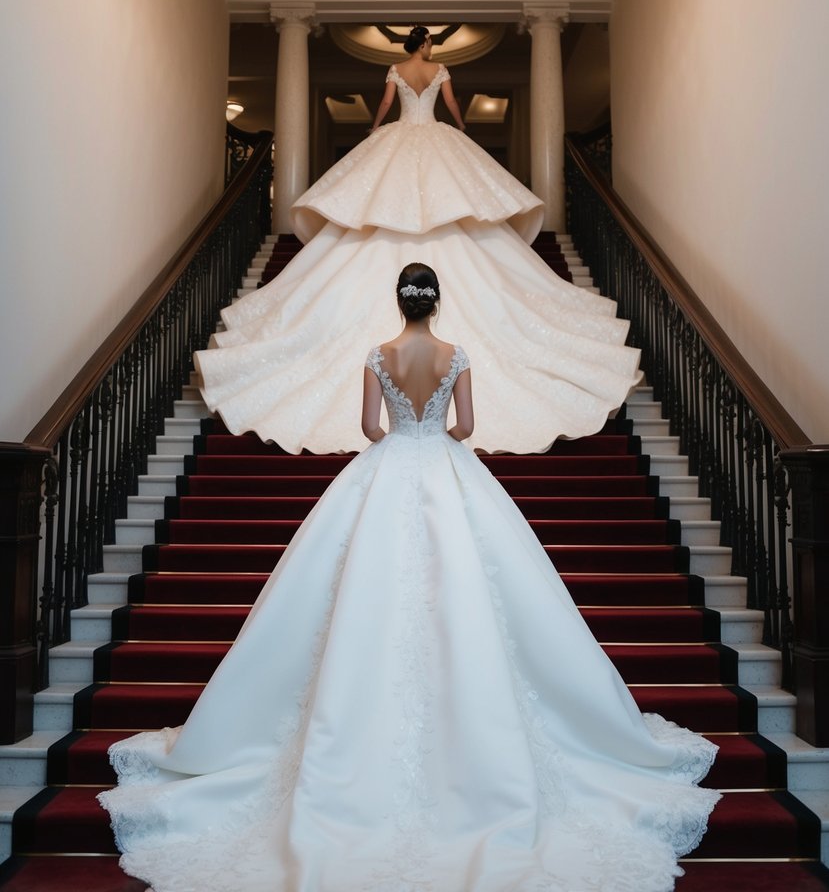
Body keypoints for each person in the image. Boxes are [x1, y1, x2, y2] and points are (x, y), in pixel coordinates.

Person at [99, 264, 719, 892]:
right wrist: (437, 435)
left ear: (398, 301)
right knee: (473, 591)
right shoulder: (456, 355)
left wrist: (402, 432)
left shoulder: (379, 354)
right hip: (445, 466)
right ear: (437, 303)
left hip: (391, 464)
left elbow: (371, 428)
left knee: (360, 595)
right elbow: (468, 427)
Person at [195, 26, 642, 455]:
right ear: (426, 44)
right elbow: (449, 105)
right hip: (432, 134)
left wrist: (375, 129)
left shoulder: (394, 70)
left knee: (381, 206)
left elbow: (387, 105)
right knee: (450, 208)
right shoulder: (440, 70)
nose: (430, 48)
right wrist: (462, 128)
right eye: (430, 42)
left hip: (401, 135)